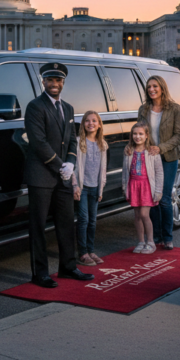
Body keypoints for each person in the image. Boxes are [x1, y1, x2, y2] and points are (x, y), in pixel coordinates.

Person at [24, 62, 94, 288]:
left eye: (59, 80)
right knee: (38, 227)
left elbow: (72, 139)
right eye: (50, 80)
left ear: (63, 82)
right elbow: (38, 142)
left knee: (66, 224)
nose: (55, 84)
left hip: (63, 176)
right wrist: (60, 164)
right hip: (42, 176)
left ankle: (68, 267)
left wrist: (71, 163)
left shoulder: (69, 108)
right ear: (43, 82)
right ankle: (40, 274)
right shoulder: (35, 106)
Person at [136, 75, 180, 249]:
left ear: (162, 88)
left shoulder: (174, 108)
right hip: (149, 158)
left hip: (168, 157)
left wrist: (161, 148)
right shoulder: (143, 109)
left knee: (164, 198)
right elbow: (139, 132)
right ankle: (155, 237)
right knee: (152, 199)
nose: (152, 89)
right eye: (149, 87)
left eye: (155, 86)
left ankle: (168, 237)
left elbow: (179, 135)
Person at [72, 110, 109, 266]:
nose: (91, 123)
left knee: (93, 221)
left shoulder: (102, 145)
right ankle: (82, 253)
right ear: (83, 124)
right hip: (82, 188)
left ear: (99, 125)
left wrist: (101, 189)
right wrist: (75, 186)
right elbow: (73, 167)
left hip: (95, 188)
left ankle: (91, 250)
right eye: (87, 121)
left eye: (94, 121)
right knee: (84, 220)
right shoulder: (78, 142)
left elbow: (103, 169)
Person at [122, 120, 163, 254]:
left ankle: (150, 242)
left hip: (147, 187)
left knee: (145, 214)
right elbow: (124, 172)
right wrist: (125, 188)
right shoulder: (129, 151)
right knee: (137, 215)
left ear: (146, 135)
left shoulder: (152, 152)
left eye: (140, 134)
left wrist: (158, 190)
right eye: (135, 134)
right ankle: (140, 241)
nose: (137, 136)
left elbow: (159, 172)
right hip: (134, 185)